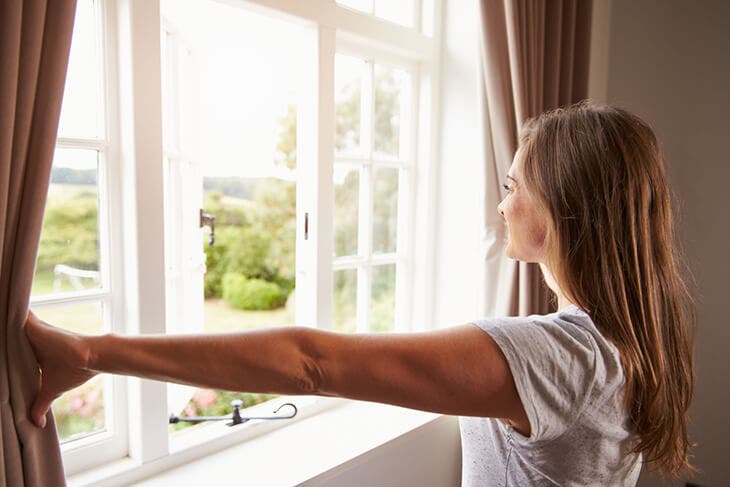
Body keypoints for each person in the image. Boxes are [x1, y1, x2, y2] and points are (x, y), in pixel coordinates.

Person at [24, 100, 696, 485]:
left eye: (513, 186)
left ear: (559, 208)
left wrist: (93, 349)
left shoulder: (559, 355)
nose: (502, 202)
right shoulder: (625, 333)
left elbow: (310, 362)